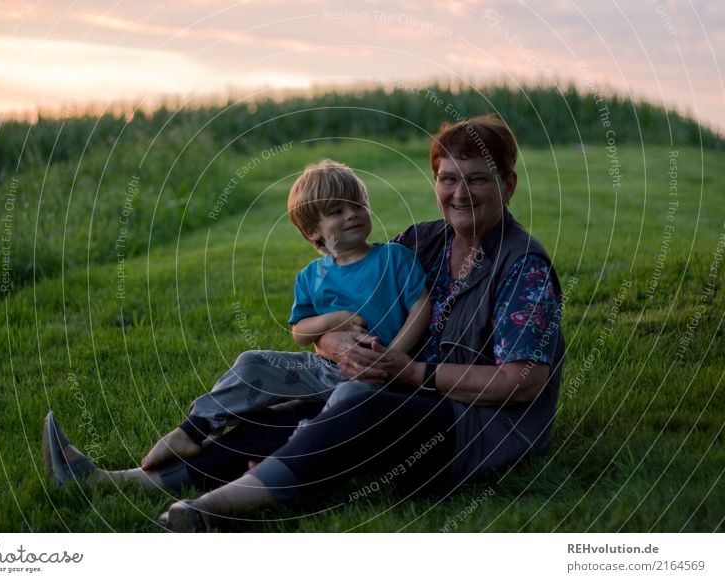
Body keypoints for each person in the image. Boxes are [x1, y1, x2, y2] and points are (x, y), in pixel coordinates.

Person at [43, 115, 565, 532]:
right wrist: (335, 342)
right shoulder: (423, 242)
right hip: (401, 390)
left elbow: (524, 381)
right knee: (294, 406)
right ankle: (132, 482)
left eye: (477, 179)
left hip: (475, 427)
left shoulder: (522, 265)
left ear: (508, 185)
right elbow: (365, 311)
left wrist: (414, 374)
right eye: (449, 178)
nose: (459, 193)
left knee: (358, 406)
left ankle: (214, 508)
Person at [136, 159, 430, 470]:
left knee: (344, 405)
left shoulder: (394, 257)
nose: (352, 214)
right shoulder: (311, 276)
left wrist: (392, 358)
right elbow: (300, 333)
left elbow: (421, 306)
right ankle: (193, 429)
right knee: (251, 362)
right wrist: (333, 320)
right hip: (323, 367)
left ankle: (285, 458)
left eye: (357, 204)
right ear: (312, 232)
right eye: (336, 211)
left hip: (377, 379)